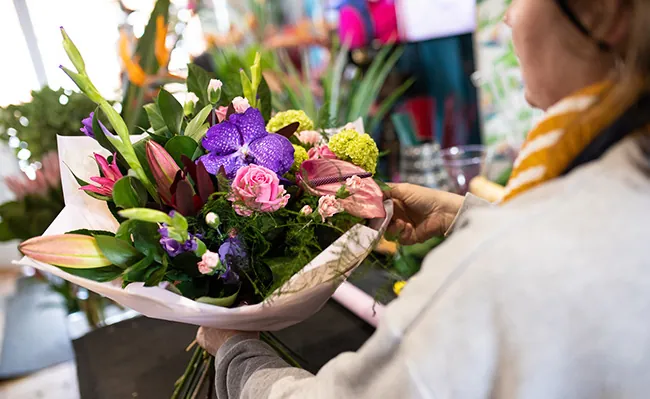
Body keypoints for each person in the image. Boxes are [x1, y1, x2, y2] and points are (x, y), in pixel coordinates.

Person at [196, 0, 650, 397]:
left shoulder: (503, 259)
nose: (508, 16)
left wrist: (237, 352)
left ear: (603, 13)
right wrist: (466, 215)